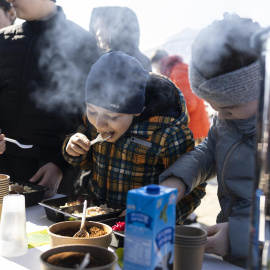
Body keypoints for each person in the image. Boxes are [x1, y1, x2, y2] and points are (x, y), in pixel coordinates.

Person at [159, 14, 261, 268]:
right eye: (214, 108)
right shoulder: (228, 121)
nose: (222, 116)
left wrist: (241, 235)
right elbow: (210, 151)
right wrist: (178, 180)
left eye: (229, 108)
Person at [62, 51, 207, 224]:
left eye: (112, 116)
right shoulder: (95, 123)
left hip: (145, 227)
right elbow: (85, 162)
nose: (99, 124)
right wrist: (74, 149)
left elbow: (192, 189)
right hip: (98, 219)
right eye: (92, 111)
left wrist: (158, 218)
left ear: (136, 109)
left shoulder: (167, 134)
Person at [0, 0, 99, 198]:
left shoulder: (81, 41)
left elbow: (91, 113)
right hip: (3, 165)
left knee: (45, 229)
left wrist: (60, 165)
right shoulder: (4, 39)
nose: (10, 0)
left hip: (50, 169)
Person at [151, 49, 210, 145]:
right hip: (196, 129)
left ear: (159, 62)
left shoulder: (177, 72)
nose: (156, 70)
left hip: (195, 131)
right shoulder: (177, 70)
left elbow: (189, 103)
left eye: (155, 66)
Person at [89, 6, 152, 71]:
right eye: (96, 28)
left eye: (102, 26)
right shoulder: (99, 61)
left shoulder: (139, 61)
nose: (98, 33)